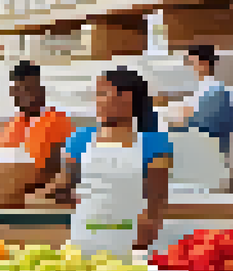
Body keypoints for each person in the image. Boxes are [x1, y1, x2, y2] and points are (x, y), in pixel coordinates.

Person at [51, 68, 172, 258]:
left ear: (127, 97)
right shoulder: (80, 138)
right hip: (84, 239)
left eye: (102, 93)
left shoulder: (155, 144)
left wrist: (145, 237)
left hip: (129, 242)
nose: (97, 101)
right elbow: (63, 186)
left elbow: (156, 205)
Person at [0, 61, 73, 207]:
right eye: (17, 90)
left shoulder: (57, 121)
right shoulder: (12, 124)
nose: (23, 95)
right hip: (4, 198)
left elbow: (66, 171)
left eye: (28, 89)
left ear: (41, 90)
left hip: (38, 201)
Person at [170, 44, 233, 154]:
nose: (187, 68)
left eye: (190, 63)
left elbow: (203, 128)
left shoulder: (215, 91)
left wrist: (183, 120)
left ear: (203, 64)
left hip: (208, 153)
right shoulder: (202, 89)